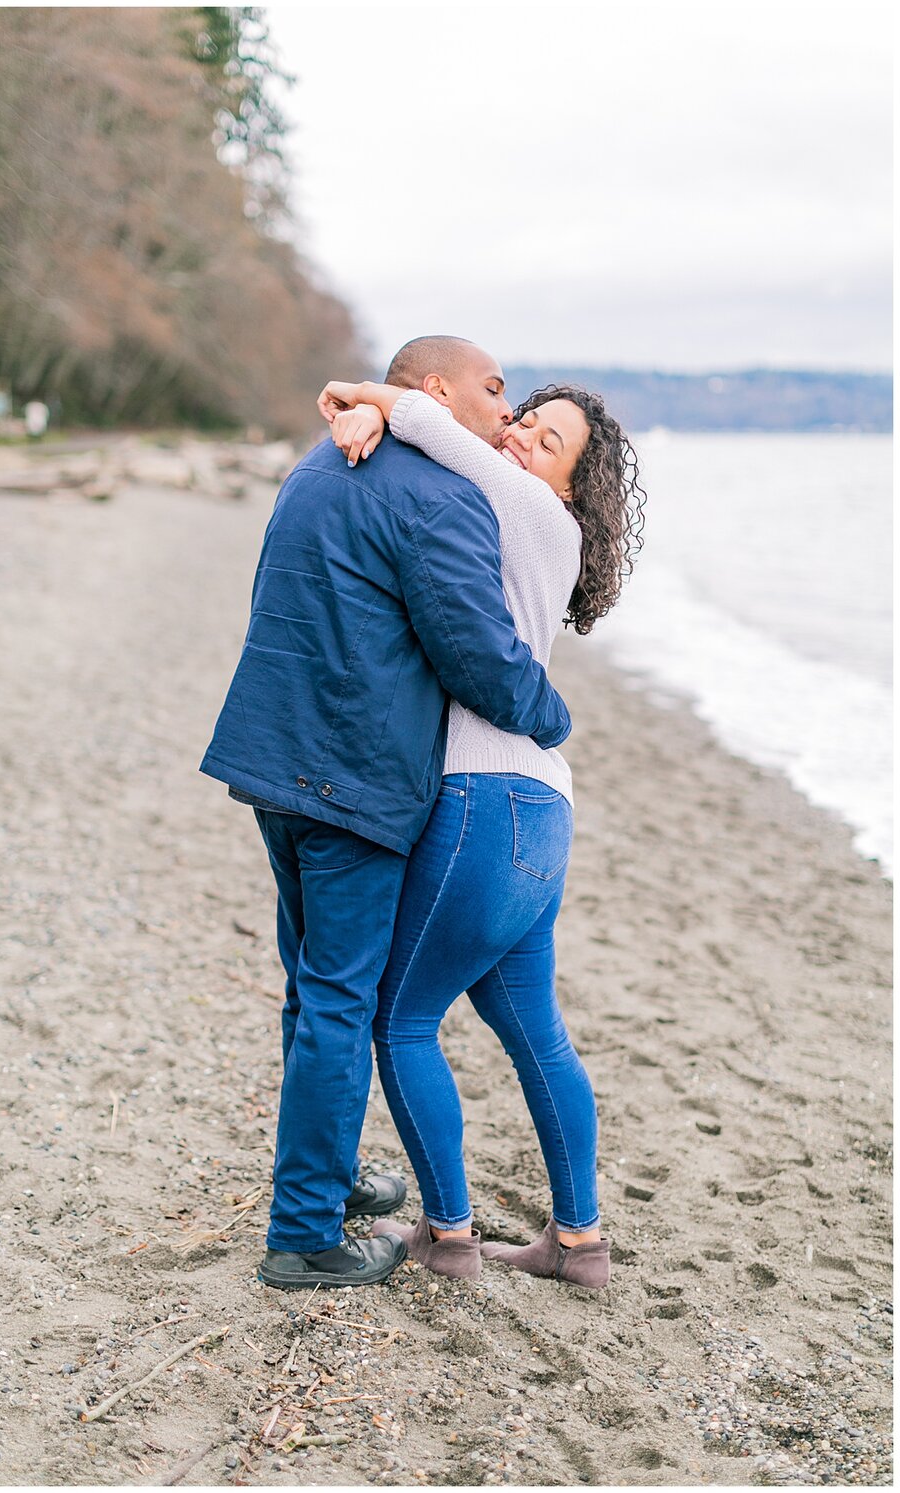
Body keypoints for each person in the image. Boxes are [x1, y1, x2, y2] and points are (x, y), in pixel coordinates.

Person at [200, 336, 574, 1290]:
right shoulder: (438, 494)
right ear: (436, 392)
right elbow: (480, 659)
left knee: (310, 988)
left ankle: (322, 1174)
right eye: (494, 389)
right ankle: (304, 1235)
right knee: (341, 1000)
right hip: (352, 781)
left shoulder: (315, 467)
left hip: (273, 764)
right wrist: (553, 716)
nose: (506, 409)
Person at [315, 371, 645, 1287]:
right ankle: (579, 1243)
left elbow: (440, 426)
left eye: (548, 444)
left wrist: (367, 396)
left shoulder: (540, 518)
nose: (521, 440)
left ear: (572, 486)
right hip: (540, 815)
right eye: (526, 423)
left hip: (483, 802)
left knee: (400, 1019)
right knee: (537, 1033)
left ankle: (448, 1234)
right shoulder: (511, 515)